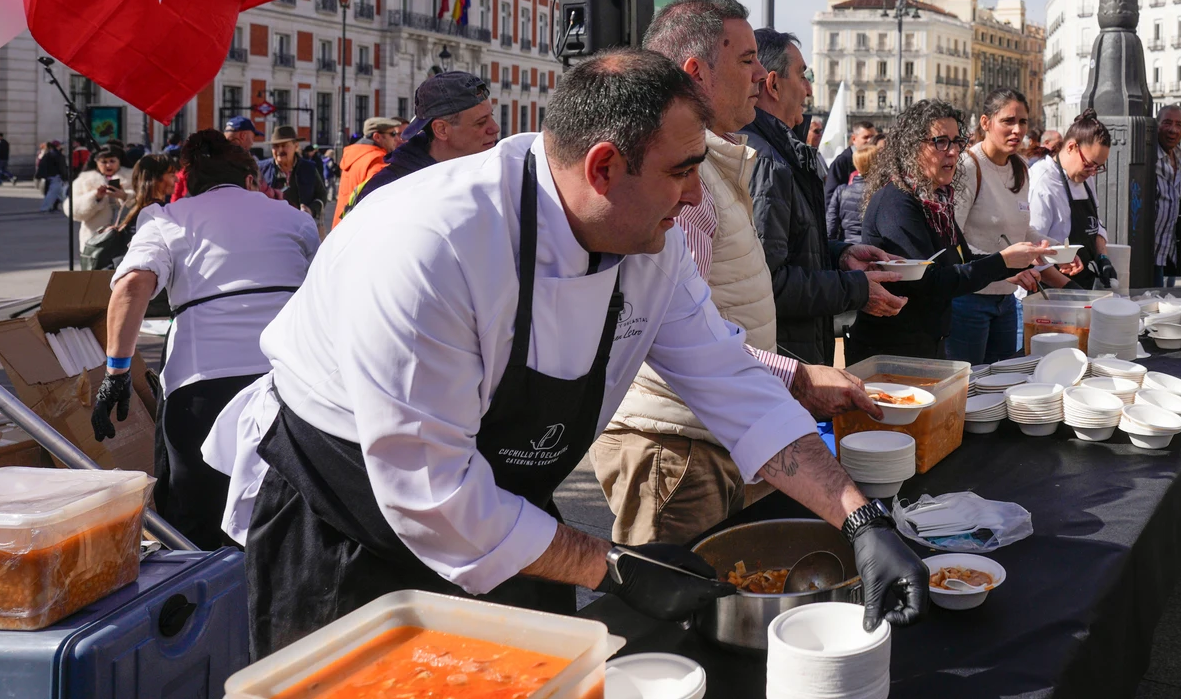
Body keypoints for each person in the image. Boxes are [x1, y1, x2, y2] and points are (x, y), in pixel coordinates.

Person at [203, 49, 929, 654]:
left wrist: (860, 519)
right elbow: (434, 495)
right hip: (349, 530)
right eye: (682, 172)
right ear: (606, 167)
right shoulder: (434, 246)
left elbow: (733, 383)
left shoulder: (651, 241)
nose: (691, 198)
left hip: (507, 515)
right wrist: (611, 561)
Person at [596, 0, 881, 545]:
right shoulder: (685, 185)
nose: (761, 76)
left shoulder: (715, 165)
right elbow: (682, 334)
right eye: (747, 60)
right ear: (695, 72)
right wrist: (797, 377)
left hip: (716, 431)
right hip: (677, 443)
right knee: (673, 613)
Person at [93, 132, 318, 552]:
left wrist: (116, 373)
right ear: (251, 179)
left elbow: (130, 287)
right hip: (288, 379)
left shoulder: (165, 217)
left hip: (202, 386)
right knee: (287, 511)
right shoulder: (292, 217)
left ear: (189, 184)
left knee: (198, 518)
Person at [745, 28, 906, 366]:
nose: (808, 89)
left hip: (794, 350)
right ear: (772, 84)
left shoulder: (778, 154)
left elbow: (790, 248)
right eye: (803, 76)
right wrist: (856, 289)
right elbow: (767, 281)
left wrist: (842, 255)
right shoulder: (767, 162)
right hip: (783, 360)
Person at [850, 99, 1050, 363]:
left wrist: (1013, 263)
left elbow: (963, 261)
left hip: (926, 345)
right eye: (940, 142)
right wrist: (1002, 262)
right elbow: (930, 282)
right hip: (892, 352)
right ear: (912, 147)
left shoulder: (936, 202)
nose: (953, 152)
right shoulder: (897, 201)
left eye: (957, 142)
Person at [949, 89, 1065, 364]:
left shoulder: (1020, 168)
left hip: (1006, 300)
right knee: (970, 386)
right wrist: (1004, 268)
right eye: (1008, 121)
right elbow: (953, 238)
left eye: (1023, 122)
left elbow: (1021, 230)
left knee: (1004, 381)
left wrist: (1055, 251)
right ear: (986, 122)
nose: (1017, 130)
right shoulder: (967, 166)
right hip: (970, 299)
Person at [342, 72, 500, 216]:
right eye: (481, 122)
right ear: (441, 129)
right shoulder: (387, 190)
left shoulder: (494, 169)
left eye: (491, 116)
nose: (495, 128)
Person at [1028, 111, 1115, 289]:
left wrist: (1103, 258)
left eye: (1098, 167)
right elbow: (1032, 251)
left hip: (1082, 282)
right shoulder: (1043, 183)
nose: (1092, 172)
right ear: (1071, 147)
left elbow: (1094, 223)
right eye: (1089, 164)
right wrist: (1070, 288)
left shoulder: (1085, 177)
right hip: (1046, 291)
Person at [79, 154, 177, 272]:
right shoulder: (157, 213)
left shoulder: (133, 207)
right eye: (172, 175)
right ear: (156, 179)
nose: (176, 179)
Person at [332, 117, 401, 227]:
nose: (397, 139)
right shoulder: (377, 160)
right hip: (359, 230)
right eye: (393, 134)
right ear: (377, 137)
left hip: (341, 227)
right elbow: (380, 202)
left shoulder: (353, 155)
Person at [1153, 105, 1181, 282]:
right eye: (1167, 123)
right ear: (1156, 125)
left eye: (1178, 124)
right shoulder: (1149, 157)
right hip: (1147, 254)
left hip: (1167, 252)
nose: (1173, 130)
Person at [67, 148, 129, 245]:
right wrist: (96, 198)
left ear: (119, 161)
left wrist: (125, 197)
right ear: (96, 162)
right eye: (104, 162)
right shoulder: (84, 180)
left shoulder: (132, 178)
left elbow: (144, 204)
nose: (108, 165)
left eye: (112, 161)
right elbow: (73, 210)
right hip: (95, 237)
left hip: (126, 237)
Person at [262, 127, 327, 219]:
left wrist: (311, 210)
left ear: (296, 146)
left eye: (284, 145)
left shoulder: (309, 168)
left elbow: (322, 194)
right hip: (271, 225)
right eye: (276, 146)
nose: (280, 150)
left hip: (301, 226)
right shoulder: (262, 169)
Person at [828, 145, 876, 243]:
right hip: (873, 248)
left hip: (847, 245)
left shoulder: (841, 191)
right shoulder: (879, 192)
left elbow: (831, 225)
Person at [827, 121, 880, 196]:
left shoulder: (877, 158)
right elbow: (831, 195)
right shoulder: (842, 161)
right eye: (866, 137)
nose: (870, 140)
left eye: (873, 137)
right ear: (854, 139)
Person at [35, 139, 71, 212]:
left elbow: (41, 165)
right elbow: (62, 167)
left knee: (61, 194)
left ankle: (69, 208)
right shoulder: (58, 155)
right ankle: (44, 208)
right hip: (56, 176)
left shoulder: (48, 154)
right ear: (58, 146)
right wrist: (65, 177)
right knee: (53, 193)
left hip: (50, 176)